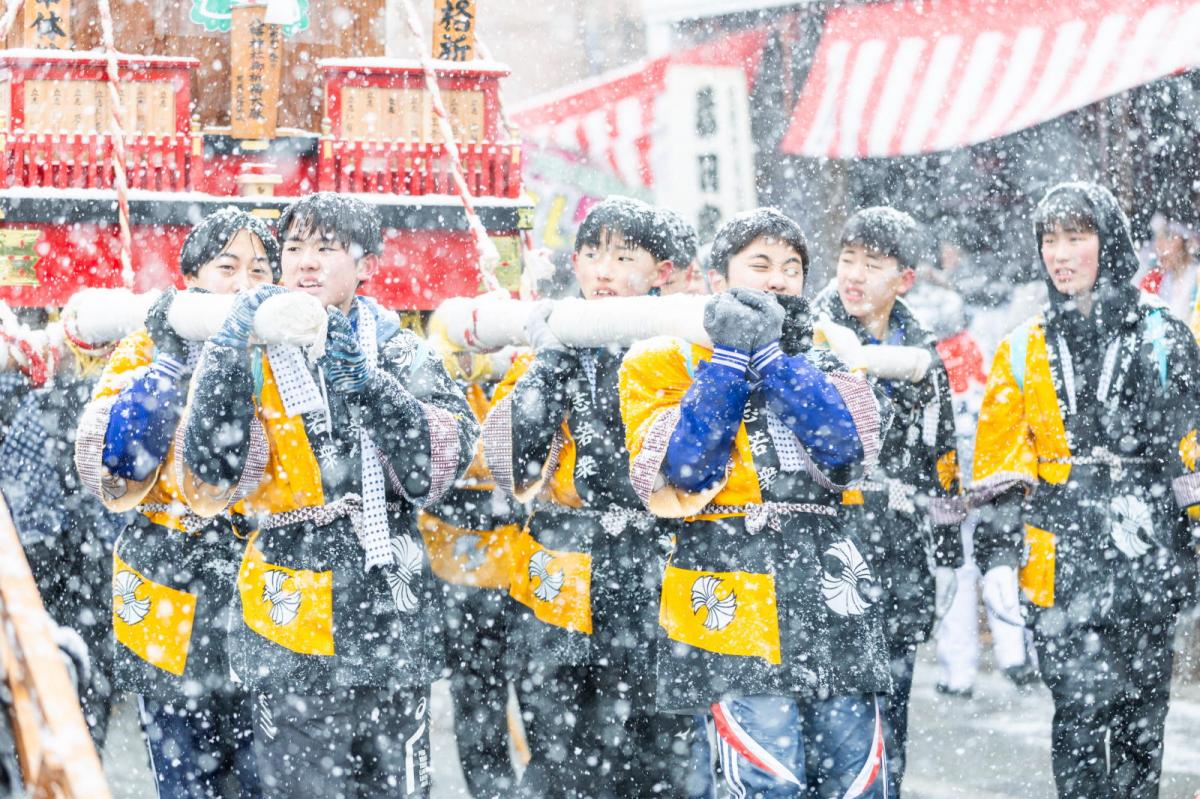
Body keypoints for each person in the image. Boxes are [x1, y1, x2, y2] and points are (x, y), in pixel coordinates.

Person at [175, 193, 478, 797]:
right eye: (292, 249)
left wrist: (373, 389)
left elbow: (439, 469)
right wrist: (229, 354)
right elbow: (207, 466)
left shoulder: (397, 348)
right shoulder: (248, 346)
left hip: (387, 605)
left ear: (367, 264)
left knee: (396, 783)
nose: (305, 264)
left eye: (326, 249)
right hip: (288, 594)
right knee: (299, 783)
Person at [618, 207, 892, 798]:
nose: (778, 280)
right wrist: (730, 361)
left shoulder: (828, 352)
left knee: (856, 779)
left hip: (827, 586)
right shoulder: (661, 354)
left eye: (792, 268)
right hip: (730, 582)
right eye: (760, 265)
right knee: (764, 779)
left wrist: (774, 361)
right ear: (718, 277)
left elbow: (846, 450)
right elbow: (686, 468)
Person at [971, 182, 1200, 799]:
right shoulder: (1021, 348)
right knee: (1076, 716)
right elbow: (1002, 465)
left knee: (1141, 724)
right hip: (1059, 559)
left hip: (1148, 554)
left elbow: (1190, 453)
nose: (1061, 254)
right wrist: (995, 556)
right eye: (1050, 240)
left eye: (1077, 237)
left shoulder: (1164, 336)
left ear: (1110, 244)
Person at [483, 196, 692, 797]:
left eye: (624, 255)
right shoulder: (555, 340)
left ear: (663, 271)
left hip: (656, 556)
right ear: (573, 262)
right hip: (564, 560)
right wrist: (552, 362)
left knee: (656, 754)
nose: (603, 269)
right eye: (592, 253)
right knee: (557, 751)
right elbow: (513, 456)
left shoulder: (683, 345)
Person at [74, 207, 278, 797]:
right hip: (163, 561)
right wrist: (168, 362)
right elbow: (118, 459)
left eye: (260, 269)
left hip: (253, 567)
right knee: (180, 757)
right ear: (192, 275)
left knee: (259, 760)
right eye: (227, 267)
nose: (245, 284)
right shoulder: (147, 344)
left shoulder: (282, 343)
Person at [811, 207, 964, 796]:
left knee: (890, 717)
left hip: (897, 554)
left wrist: (947, 554)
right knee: (826, 719)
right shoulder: (809, 336)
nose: (854, 275)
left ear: (905, 278)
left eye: (872, 265)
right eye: (847, 259)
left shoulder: (923, 356)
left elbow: (942, 458)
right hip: (822, 547)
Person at [417, 342, 523, 799]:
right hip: (456, 554)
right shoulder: (428, 344)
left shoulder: (532, 348)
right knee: (478, 697)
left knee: (542, 700)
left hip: (527, 550)